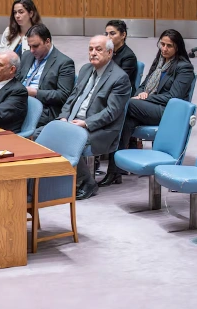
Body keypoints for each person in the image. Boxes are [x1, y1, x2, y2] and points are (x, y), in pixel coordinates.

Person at [102, 29, 194, 187]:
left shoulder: (184, 68)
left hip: (168, 112)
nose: (164, 49)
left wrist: (146, 97)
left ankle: (103, 144)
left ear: (177, 47)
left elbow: (174, 97)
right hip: (150, 107)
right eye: (162, 44)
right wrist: (140, 93)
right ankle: (114, 171)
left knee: (126, 104)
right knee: (127, 120)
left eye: (169, 46)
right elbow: (144, 85)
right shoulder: (160, 61)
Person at [41, 35, 130, 200]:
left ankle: (87, 182)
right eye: (91, 49)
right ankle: (47, 179)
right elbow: (71, 98)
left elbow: (112, 112)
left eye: (98, 49)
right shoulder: (85, 69)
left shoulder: (120, 78)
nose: (93, 53)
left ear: (110, 52)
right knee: (40, 134)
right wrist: (63, 117)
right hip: (72, 122)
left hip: (100, 129)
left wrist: (86, 123)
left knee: (67, 141)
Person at [15, 24, 74, 127]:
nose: (32, 50)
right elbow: (17, 79)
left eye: (36, 46)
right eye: (30, 46)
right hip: (18, 101)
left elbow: (63, 96)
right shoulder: (27, 55)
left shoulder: (64, 63)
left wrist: (35, 92)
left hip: (42, 108)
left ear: (47, 42)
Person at [104, 19, 137, 95]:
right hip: (107, 87)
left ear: (123, 35)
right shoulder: (107, 51)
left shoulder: (129, 56)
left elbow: (120, 80)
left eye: (112, 33)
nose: (108, 37)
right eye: (106, 34)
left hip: (120, 92)